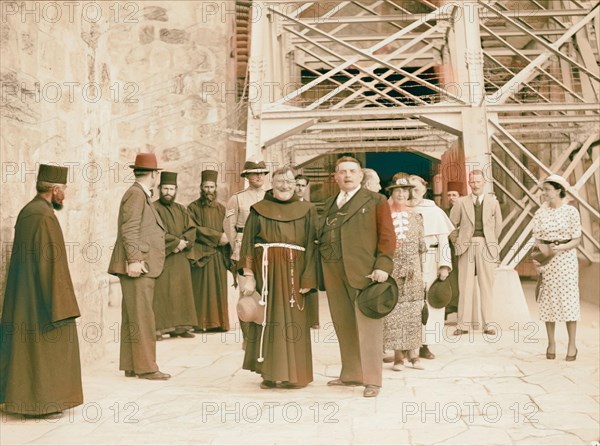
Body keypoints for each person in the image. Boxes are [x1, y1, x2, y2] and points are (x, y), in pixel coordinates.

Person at [0, 164, 83, 416]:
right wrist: (63, 305)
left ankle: (25, 400)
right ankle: (42, 401)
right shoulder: (44, 216)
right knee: (52, 342)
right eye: (64, 190)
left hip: (25, 295)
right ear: (55, 189)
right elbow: (52, 264)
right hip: (40, 299)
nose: (65, 195)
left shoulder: (29, 211)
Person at [318, 156, 395, 398]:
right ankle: (351, 373)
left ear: (361, 176)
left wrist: (383, 264)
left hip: (366, 272)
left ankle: (373, 380)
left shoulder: (375, 200)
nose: (347, 176)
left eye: (352, 171)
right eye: (342, 172)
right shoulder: (330, 203)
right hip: (333, 271)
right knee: (344, 324)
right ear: (336, 177)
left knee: (369, 328)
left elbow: (387, 236)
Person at [239, 167, 318, 389]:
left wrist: (309, 279)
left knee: (294, 323)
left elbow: (312, 246)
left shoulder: (308, 210)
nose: (285, 186)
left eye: (289, 182)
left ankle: (295, 375)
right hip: (266, 275)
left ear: (296, 185)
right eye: (280, 181)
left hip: (295, 275)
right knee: (267, 321)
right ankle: (270, 374)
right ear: (272, 184)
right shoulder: (258, 210)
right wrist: (249, 275)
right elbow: (247, 243)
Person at [108, 153, 170, 380]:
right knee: (143, 317)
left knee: (133, 316)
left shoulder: (138, 194)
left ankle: (132, 364)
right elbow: (129, 229)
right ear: (153, 175)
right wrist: (134, 260)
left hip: (141, 264)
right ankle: (146, 367)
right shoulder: (136, 195)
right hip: (139, 266)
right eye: (157, 174)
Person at [532, 174, 581, 361]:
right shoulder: (540, 213)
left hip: (565, 258)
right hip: (546, 259)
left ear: (558, 190)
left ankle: (572, 344)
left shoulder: (571, 212)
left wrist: (561, 247)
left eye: (547, 190)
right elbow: (536, 239)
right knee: (548, 301)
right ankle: (551, 342)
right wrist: (537, 260)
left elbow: (576, 239)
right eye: (543, 190)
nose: (544, 193)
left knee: (568, 300)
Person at [450, 169, 503, 336]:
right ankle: (462, 325)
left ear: (484, 183)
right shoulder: (461, 202)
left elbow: (498, 226)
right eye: (472, 182)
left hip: (486, 245)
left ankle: (488, 324)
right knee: (464, 285)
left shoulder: (493, 202)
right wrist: (458, 242)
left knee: (486, 285)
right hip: (466, 245)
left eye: (478, 182)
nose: (475, 185)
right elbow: (451, 226)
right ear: (469, 183)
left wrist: (491, 243)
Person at [383, 174, 426, 371]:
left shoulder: (416, 216)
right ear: (391, 192)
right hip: (392, 269)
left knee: (413, 311)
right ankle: (398, 356)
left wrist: (421, 272)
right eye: (397, 191)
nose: (401, 194)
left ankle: (414, 355)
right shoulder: (383, 215)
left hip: (413, 269)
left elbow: (421, 246)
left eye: (404, 190)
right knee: (394, 311)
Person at [408, 175, 453, 360]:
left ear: (424, 189)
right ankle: (407, 344)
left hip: (431, 260)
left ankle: (426, 344)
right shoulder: (401, 208)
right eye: (409, 189)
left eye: (416, 189)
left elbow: (443, 241)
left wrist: (444, 266)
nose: (413, 193)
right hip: (409, 260)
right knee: (409, 303)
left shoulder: (434, 211)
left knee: (430, 302)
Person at [224, 160, 269, 342]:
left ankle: (265, 335)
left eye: (262, 173)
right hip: (244, 250)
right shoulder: (237, 199)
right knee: (246, 292)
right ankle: (248, 338)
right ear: (247, 176)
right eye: (254, 173)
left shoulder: (270, 196)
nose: (259, 176)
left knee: (266, 291)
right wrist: (237, 247)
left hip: (265, 250)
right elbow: (228, 225)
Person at [152, 171, 198, 340]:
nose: (168, 192)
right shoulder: (153, 208)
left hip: (180, 258)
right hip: (163, 258)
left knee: (181, 291)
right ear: (159, 188)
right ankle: (159, 329)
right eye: (165, 188)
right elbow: (155, 232)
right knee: (162, 293)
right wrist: (175, 244)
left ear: (176, 189)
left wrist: (184, 242)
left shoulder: (181, 209)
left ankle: (181, 327)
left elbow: (191, 229)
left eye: (171, 189)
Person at [188, 170, 231, 332]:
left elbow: (228, 228)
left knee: (218, 290)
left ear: (216, 188)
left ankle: (219, 324)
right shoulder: (192, 208)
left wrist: (226, 237)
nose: (209, 190)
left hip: (218, 255)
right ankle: (200, 324)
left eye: (211, 187)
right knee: (200, 289)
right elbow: (193, 229)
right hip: (201, 254)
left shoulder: (222, 209)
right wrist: (217, 236)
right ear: (201, 187)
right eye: (206, 186)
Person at [295, 174, 319, 329]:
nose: (299, 188)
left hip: (306, 248)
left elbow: (314, 230)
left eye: (303, 186)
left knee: (309, 279)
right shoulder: (285, 205)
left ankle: (312, 320)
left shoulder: (310, 207)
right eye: (297, 185)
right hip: (290, 249)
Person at [445, 181, 463, 317]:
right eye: (449, 195)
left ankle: (461, 306)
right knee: (451, 277)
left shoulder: (465, 209)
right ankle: (450, 305)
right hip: (449, 248)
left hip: (462, 247)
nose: (451, 197)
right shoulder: (444, 211)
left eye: (454, 195)